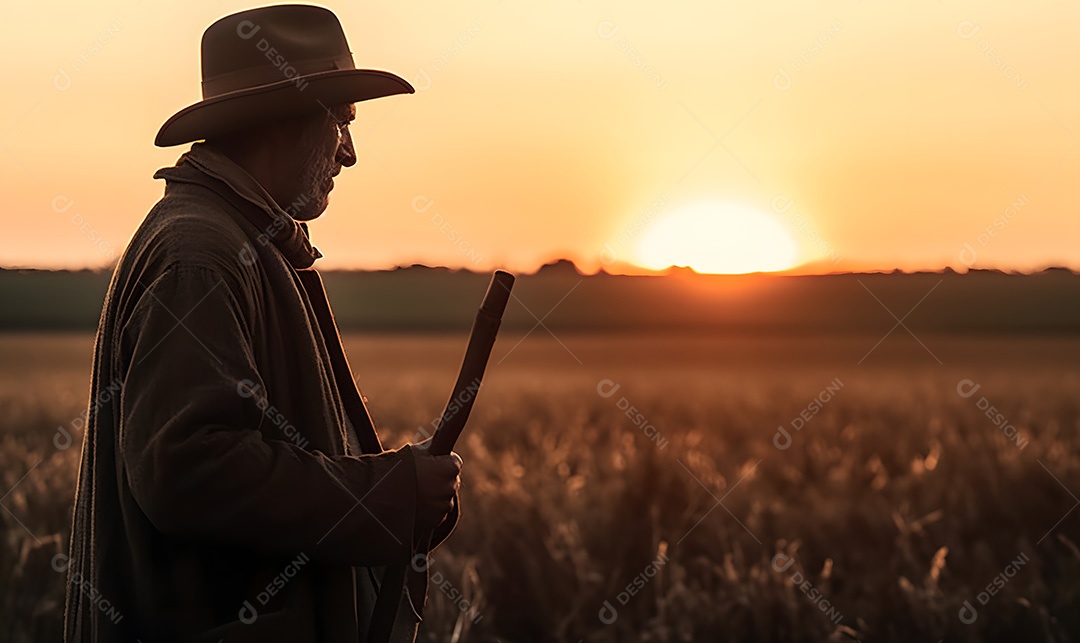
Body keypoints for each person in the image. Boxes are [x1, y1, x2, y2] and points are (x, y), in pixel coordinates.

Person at [62, 5, 462, 642]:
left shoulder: (239, 240)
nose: (351, 154)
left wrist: (399, 494)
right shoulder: (200, 255)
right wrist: (387, 492)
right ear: (283, 118)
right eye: (343, 121)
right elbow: (188, 471)